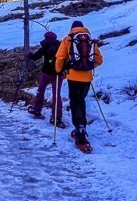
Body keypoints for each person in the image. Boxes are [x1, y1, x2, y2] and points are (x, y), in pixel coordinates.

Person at [55, 20, 103, 150]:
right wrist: (88, 67)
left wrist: (59, 70)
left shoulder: (68, 39)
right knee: (81, 101)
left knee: (75, 102)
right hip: (87, 78)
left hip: (73, 76)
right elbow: (99, 60)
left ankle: (80, 130)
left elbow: (59, 58)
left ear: (72, 28)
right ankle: (82, 126)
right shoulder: (89, 40)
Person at [27, 31, 66, 128]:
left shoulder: (45, 46)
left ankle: (37, 109)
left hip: (46, 73)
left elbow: (36, 57)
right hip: (58, 73)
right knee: (56, 95)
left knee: (41, 90)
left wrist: (29, 55)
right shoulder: (61, 46)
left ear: (46, 37)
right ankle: (56, 117)